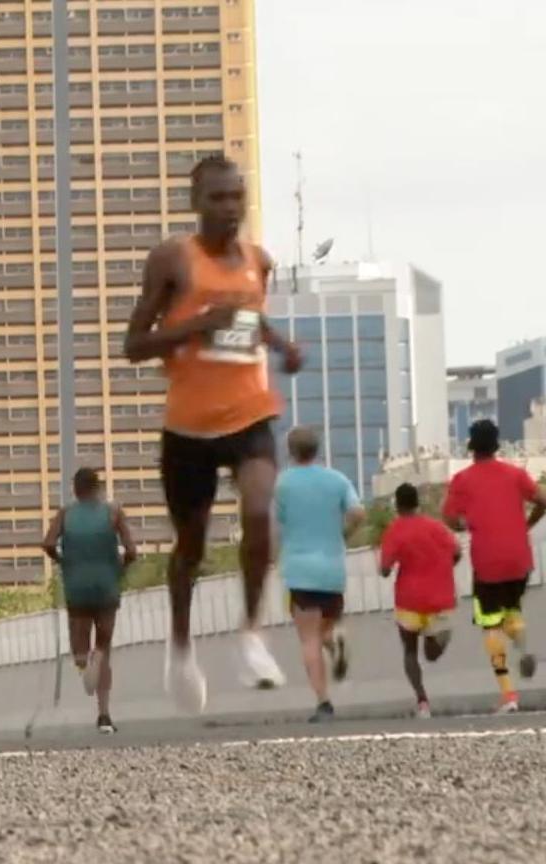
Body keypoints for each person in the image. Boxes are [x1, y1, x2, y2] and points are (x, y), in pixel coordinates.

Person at [123, 154, 302, 713]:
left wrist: (281, 345)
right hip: (188, 429)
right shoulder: (173, 261)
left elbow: (250, 316)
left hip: (250, 415)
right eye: (218, 198)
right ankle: (180, 646)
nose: (230, 208)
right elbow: (133, 345)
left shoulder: (258, 261)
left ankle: (250, 634)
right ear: (196, 203)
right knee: (192, 548)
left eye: (236, 197)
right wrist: (197, 326)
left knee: (258, 510)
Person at [443, 419, 546, 714]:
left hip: (487, 561)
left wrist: (465, 523)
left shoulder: (462, 480)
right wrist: (528, 524)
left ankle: (509, 695)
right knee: (512, 610)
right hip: (519, 558)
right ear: (497, 445)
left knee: (490, 625)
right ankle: (523, 644)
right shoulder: (516, 475)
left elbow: (449, 517)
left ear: (472, 448)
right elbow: (543, 499)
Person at [274, 427, 364, 722]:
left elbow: (273, 527)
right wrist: (343, 534)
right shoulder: (337, 479)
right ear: (317, 449)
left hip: (299, 571)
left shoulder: (283, 485)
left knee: (309, 639)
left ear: (290, 450)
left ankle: (324, 703)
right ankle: (335, 639)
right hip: (332, 569)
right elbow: (358, 513)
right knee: (325, 626)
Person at [41, 468, 138, 734]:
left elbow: (48, 543)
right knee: (104, 647)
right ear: (97, 487)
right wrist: (121, 567)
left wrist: (64, 560)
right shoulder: (114, 512)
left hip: (77, 585)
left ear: (76, 489)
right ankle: (104, 714)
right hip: (107, 585)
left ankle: (86, 662)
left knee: (78, 646)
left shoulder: (65, 514)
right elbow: (131, 550)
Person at [380, 482, 460, 718]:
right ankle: (436, 640)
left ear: (397, 505)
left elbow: (384, 569)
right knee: (432, 654)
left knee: (410, 651)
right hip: (440, 597)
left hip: (408, 599)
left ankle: (422, 702)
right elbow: (456, 552)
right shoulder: (436, 527)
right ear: (417, 502)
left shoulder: (394, 530)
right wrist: (442, 568)